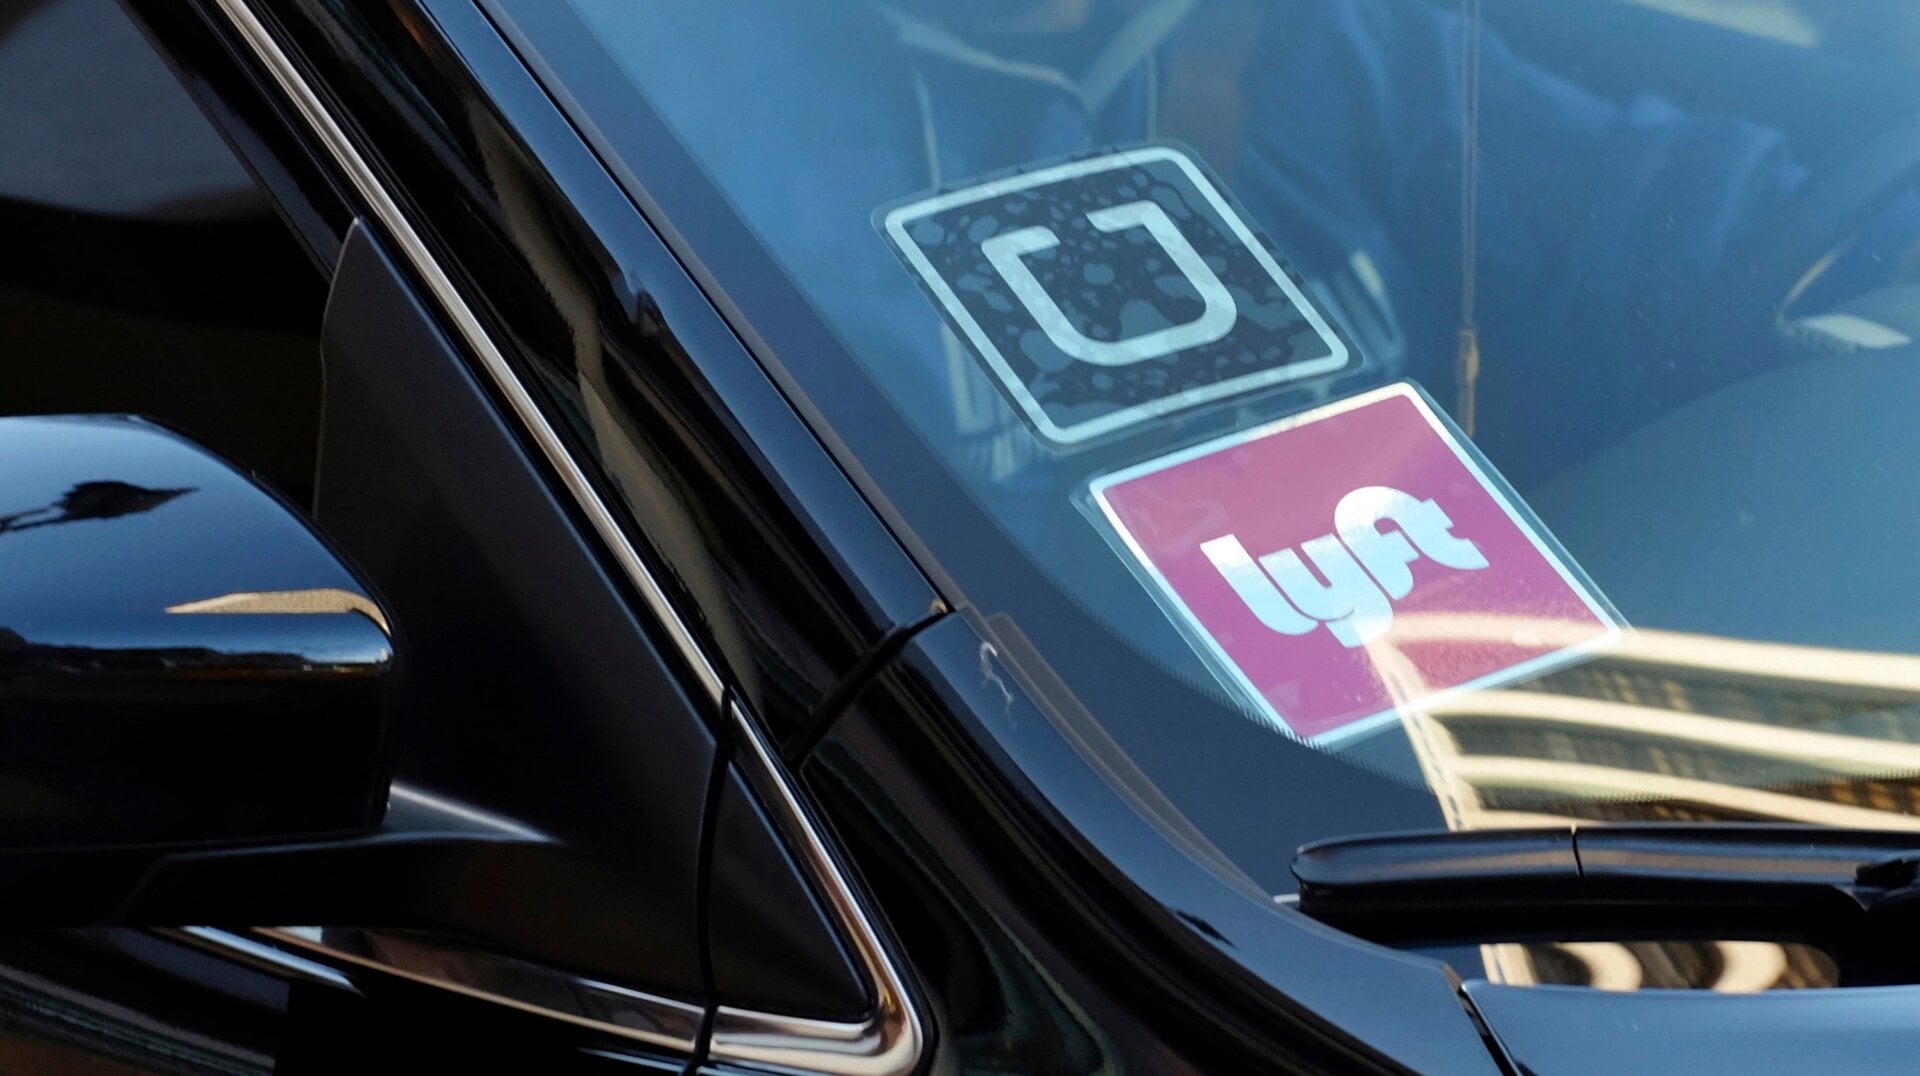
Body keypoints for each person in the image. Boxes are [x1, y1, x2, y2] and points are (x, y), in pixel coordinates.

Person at [599, 0, 1902, 489]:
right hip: (1057, 866)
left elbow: (1716, 232)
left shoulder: (1327, 43)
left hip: (1458, 826)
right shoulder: (661, 128)